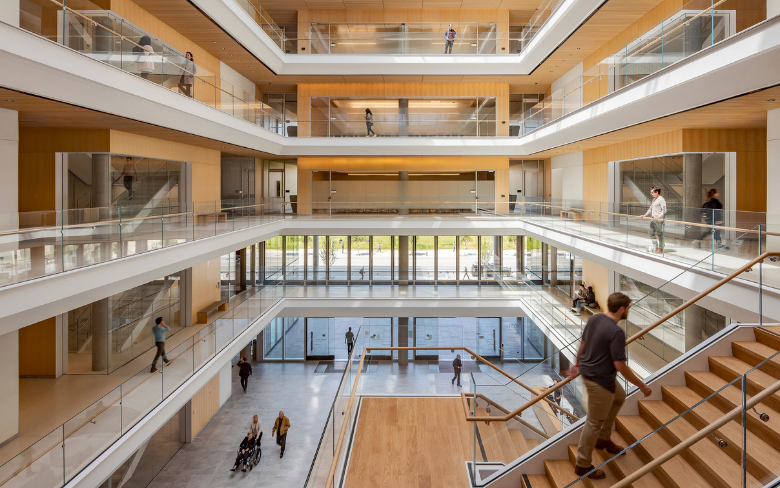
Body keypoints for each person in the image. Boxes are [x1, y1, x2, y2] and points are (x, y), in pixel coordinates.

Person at [569, 292, 652, 479]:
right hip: (599, 381)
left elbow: (582, 344)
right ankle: (582, 464)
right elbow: (620, 365)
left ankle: (603, 439)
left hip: (597, 375)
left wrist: (577, 365)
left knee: (620, 396)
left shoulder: (596, 318)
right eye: (628, 308)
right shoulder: (616, 332)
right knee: (593, 422)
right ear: (622, 309)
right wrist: (642, 385)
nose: (628, 311)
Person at [642, 186, 667, 253]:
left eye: (652, 192)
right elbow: (650, 208)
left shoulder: (661, 199)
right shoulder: (654, 200)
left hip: (658, 219)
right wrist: (644, 215)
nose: (651, 194)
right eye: (651, 192)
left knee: (660, 234)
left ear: (657, 192)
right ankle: (655, 246)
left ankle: (661, 248)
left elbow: (664, 210)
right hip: (653, 219)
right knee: (650, 232)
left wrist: (658, 217)